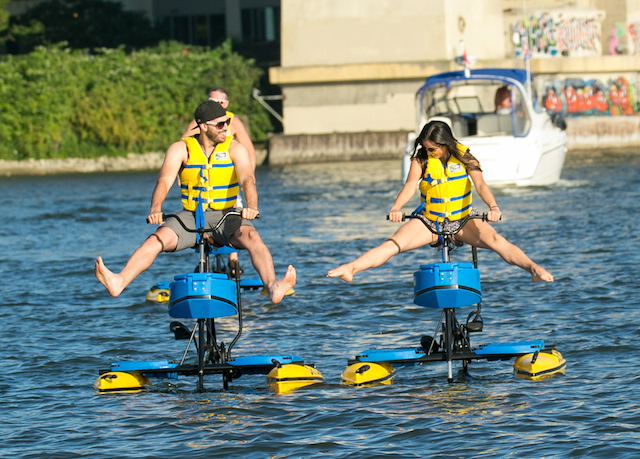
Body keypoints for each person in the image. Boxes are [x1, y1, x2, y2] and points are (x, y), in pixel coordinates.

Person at [95, 100, 295, 304]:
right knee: (155, 240)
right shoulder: (180, 149)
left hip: (227, 216)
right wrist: (155, 208)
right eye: (220, 124)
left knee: (253, 237)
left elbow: (248, 180)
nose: (226, 127)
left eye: (226, 122)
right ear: (203, 126)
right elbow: (164, 180)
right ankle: (119, 281)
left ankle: (272, 286)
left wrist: (252, 207)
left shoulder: (235, 148)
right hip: (192, 216)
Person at [327, 120, 554, 284]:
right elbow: (409, 187)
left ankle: (532, 268)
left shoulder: (466, 158)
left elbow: (481, 186)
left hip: (462, 219)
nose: (428, 152)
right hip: (430, 221)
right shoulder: (421, 161)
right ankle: (351, 268)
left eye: (432, 148)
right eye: (426, 148)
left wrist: (493, 207)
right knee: (393, 244)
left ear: (445, 144)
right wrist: (396, 208)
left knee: (496, 240)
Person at [182, 87, 256, 274]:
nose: (218, 105)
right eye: (213, 101)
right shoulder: (199, 122)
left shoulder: (234, 122)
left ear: (227, 104)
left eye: (221, 102)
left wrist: (248, 176)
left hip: (228, 181)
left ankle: (233, 261)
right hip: (202, 186)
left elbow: (249, 149)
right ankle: (203, 258)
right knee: (197, 217)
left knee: (235, 218)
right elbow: (185, 149)